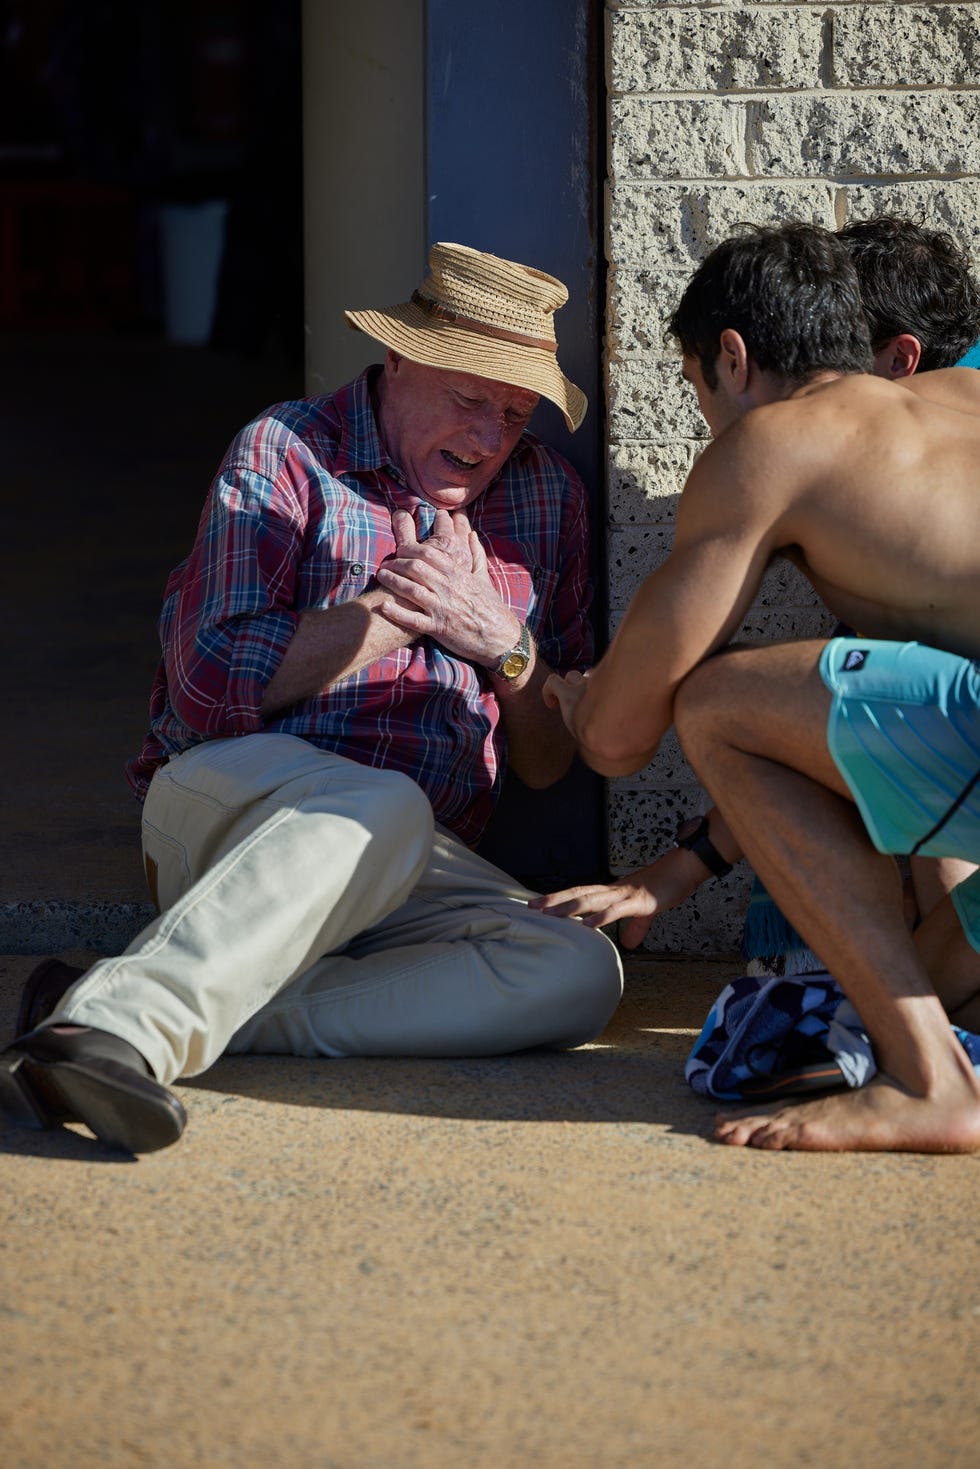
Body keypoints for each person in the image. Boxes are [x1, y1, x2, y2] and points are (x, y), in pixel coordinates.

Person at [1, 242, 624, 1153]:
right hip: (227, 801)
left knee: (577, 970)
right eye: (467, 397)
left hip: (413, 855)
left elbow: (545, 759)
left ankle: (113, 1002)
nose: (491, 437)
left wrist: (505, 645)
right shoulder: (289, 450)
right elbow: (207, 687)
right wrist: (394, 612)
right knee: (382, 801)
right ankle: (122, 1032)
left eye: (514, 411)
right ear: (400, 361)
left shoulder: (547, 499)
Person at [534, 221, 980, 1153]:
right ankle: (931, 1047)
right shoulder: (961, 393)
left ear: (730, 360)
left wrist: (582, 700)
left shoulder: (774, 441)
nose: (709, 420)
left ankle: (929, 1084)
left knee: (720, 704)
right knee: (926, 974)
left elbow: (619, 737)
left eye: (698, 390)